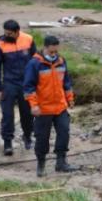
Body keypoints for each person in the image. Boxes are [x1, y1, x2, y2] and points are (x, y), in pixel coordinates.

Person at [23, 36, 78, 177]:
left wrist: (70, 98)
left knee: (64, 132)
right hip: (43, 109)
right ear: (45, 47)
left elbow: (66, 82)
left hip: (60, 106)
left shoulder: (61, 61)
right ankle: (41, 164)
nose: (54, 54)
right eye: (51, 52)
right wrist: (33, 105)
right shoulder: (34, 64)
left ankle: (61, 162)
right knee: (42, 137)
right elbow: (28, 87)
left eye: (56, 51)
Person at [0, 19, 37, 156]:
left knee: (27, 113)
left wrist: (37, 83)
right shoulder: (0, 43)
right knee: (7, 114)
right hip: (9, 83)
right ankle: (7, 143)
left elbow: (36, 61)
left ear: (17, 32)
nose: (6, 35)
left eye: (9, 33)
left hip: (26, 84)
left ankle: (28, 136)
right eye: (5, 32)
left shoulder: (28, 39)